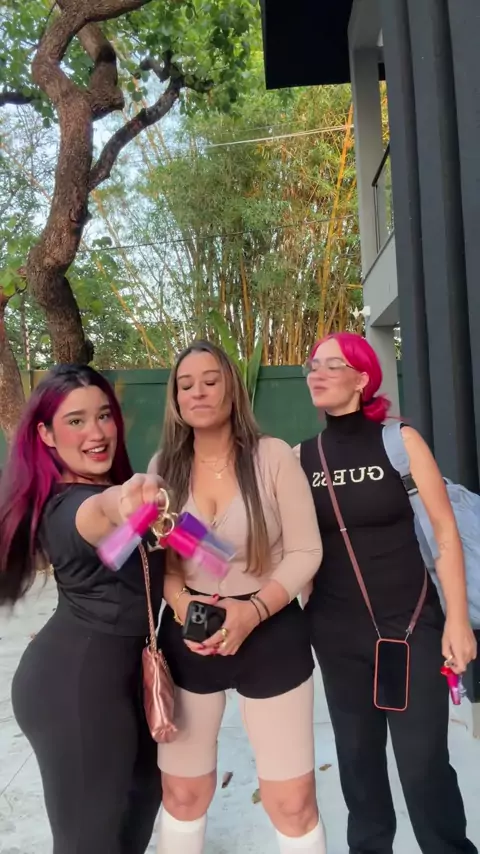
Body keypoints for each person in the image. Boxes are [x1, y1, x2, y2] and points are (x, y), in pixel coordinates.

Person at [297, 331, 477, 854]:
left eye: (332, 365)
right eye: (313, 365)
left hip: (412, 626)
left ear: (362, 378)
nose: (317, 373)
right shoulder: (300, 457)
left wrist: (457, 619)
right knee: (359, 768)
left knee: (423, 766)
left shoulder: (400, 442)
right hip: (337, 635)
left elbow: (444, 533)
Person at [148, 340, 325, 854]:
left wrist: (251, 612)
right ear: (175, 399)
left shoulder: (272, 457)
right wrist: (185, 608)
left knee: (292, 802)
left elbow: (306, 551)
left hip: (270, 630)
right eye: (186, 385)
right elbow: (165, 563)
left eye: (211, 380)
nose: (198, 392)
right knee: (183, 794)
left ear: (232, 389)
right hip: (190, 636)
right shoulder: (164, 467)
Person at [0, 364, 167, 854]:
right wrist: (125, 499)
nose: (96, 433)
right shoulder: (69, 506)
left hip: (129, 682)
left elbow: (203, 552)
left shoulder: (127, 505)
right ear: (46, 435)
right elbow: (101, 513)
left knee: (134, 820)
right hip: (73, 689)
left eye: (103, 415)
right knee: (88, 842)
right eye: (75, 421)